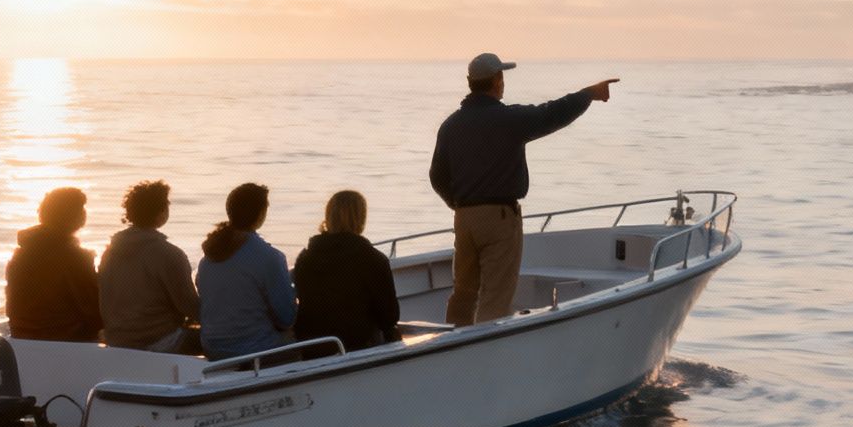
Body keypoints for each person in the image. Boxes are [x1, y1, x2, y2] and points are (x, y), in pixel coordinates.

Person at [428, 53, 618, 326]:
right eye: (501, 77)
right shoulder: (509, 119)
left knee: (463, 294)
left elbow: (436, 176)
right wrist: (589, 94)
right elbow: (551, 113)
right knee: (495, 297)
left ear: (471, 83)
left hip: (464, 218)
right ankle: (487, 360)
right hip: (499, 218)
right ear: (497, 81)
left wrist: (458, 203)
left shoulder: (450, 126)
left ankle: (449, 352)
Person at [97, 180, 200, 353]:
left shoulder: (110, 253)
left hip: (117, 341)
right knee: (217, 338)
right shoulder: (169, 254)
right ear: (161, 213)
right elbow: (190, 306)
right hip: (159, 341)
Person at [195, 183, 296, 359]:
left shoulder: (207, 259)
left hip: (212, 348)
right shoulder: (270, 258)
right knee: (301, 337)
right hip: (254, 351)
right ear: (261, 215)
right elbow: (286, 318)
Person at [293, 190, 402, 352]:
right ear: (361, 219)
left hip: (311, 345)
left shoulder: (305, 259)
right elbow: (390, 316)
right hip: (355, 344)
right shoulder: (373, 259)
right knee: (392, 333)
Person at [5, 186, 103, 342]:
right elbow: (94, 312)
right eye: (81, 209)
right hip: (65, 340)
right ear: (73, 216)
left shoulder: (21, 254)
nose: (84, 214)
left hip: (22, 336)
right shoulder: (74, 257)